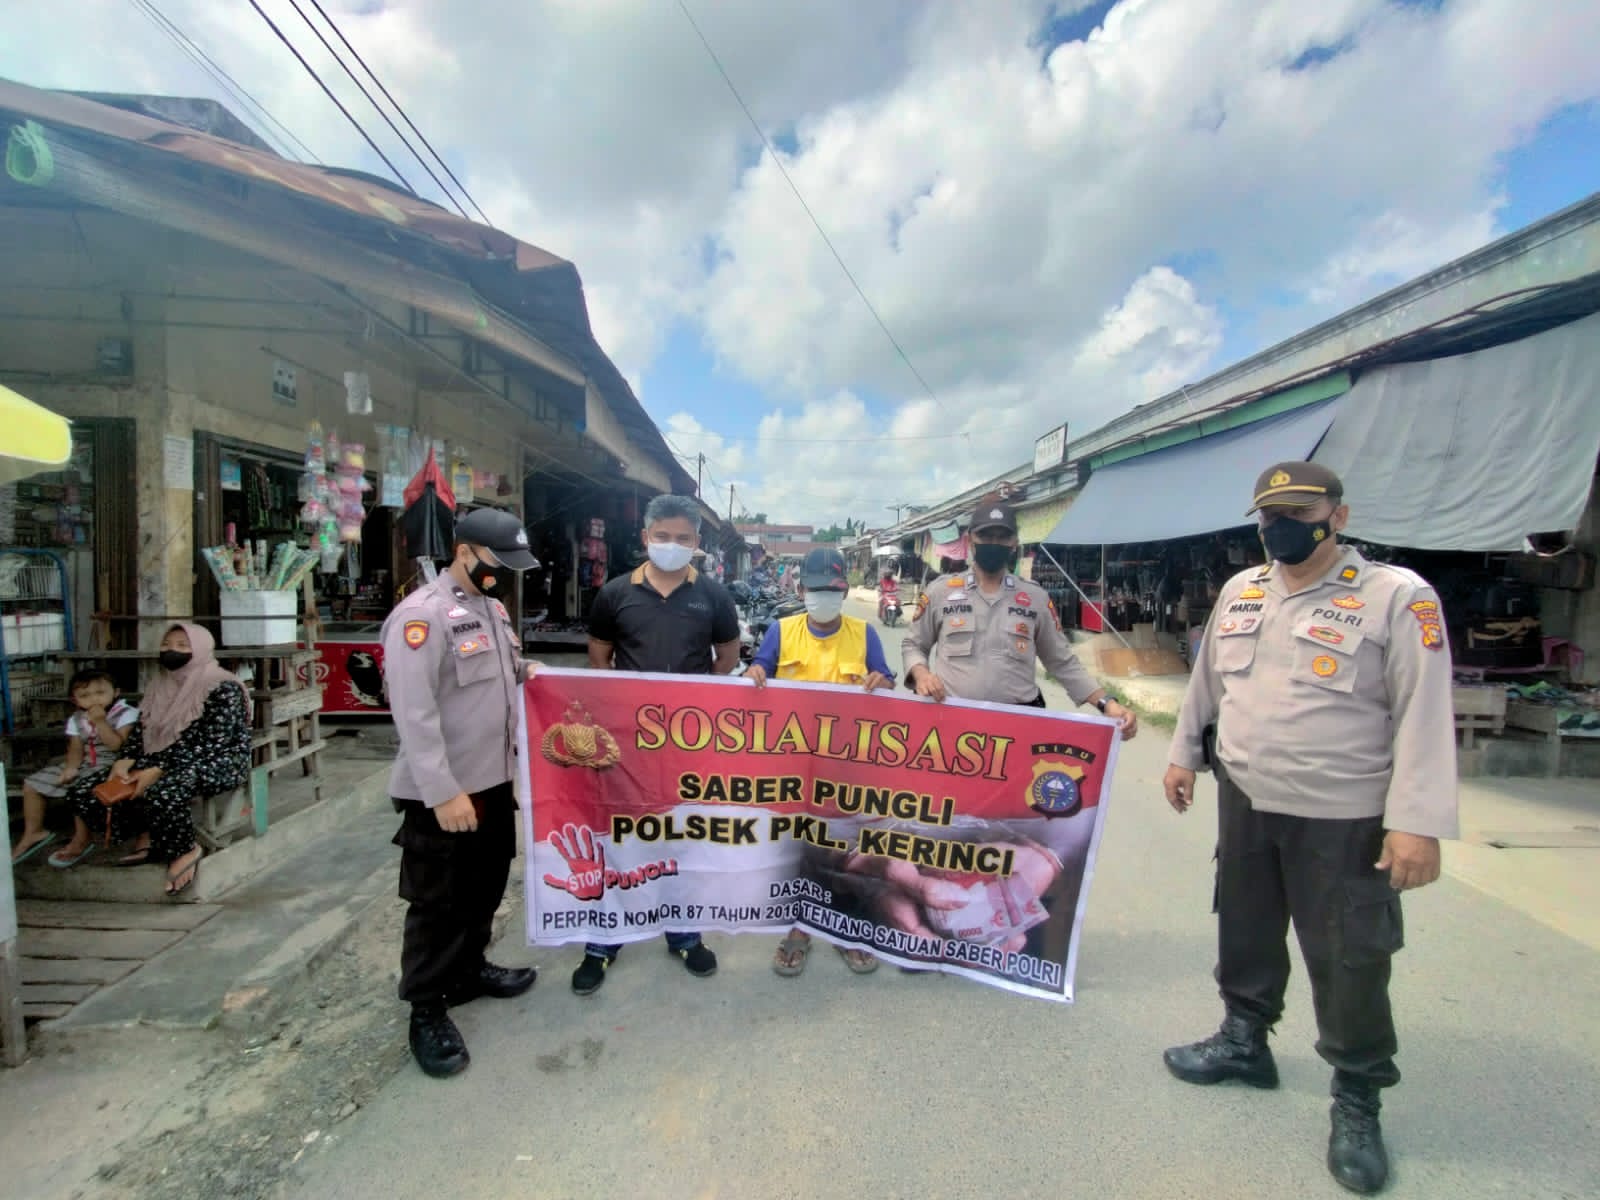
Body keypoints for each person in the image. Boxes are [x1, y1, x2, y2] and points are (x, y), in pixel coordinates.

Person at [1161, 462, 1457, 1196]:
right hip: (1248, 799)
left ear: (1338, 514)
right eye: (1269, 513)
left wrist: (1417, 822)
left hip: (1345, 815)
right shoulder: (1243, 590)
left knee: (1349, 957)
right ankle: (1244, 1041)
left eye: (1297, 510)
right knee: (1246, 927)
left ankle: (1356, 1099)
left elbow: (1424, 711)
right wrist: (1182, 756)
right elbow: (1206, 685)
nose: (1280, 525)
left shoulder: (1396, 597)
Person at [382, 507, 542, 1079]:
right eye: (500, 562)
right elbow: (414, 712)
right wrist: (443, 791)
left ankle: (469, 970)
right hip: (446, 793)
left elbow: (500, 672)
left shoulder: (491, 610)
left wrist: (529, 672)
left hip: (494, 780)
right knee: (437, 903)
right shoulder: (420, 618)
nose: (508, 574)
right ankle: (426, 1009)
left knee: (485, 885)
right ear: (467, 552)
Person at [577, 493, 741, 995]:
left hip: (686, 745)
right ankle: (604, 940)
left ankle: (683, 932)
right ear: (646, 537)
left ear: (696, 543)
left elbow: (727, 658)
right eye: (662, 536)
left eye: (683, 538)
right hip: (625, 745)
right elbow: (599, 659)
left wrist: (690, 705)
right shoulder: (614, 593)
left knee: (681, 837)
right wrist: (622, 712)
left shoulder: (713, 596)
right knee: (621, 836)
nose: (672, 545)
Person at [746, 546, 894, 977]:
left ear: (844, 590)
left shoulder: (864, 634)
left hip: (846, 769)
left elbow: (885, 683)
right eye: (814, 589)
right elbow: (759, 671)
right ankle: (798, 929)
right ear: (801, 588)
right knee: (795, 851)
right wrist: (754, 675)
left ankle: (846, 928)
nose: (822, 597)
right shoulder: (781, 630)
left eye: (830, 589)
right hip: (793, 769)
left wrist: (881, 681)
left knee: (845, 852)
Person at [902, 494, 1138, 737]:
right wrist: (922, 675)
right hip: (954, 724)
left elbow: (1062, 662)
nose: (994, 543)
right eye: (985, 536)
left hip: (1019, 729)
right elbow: (914, 644)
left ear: (1014, 542)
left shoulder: (1035, 598)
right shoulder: (941, 592)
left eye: (1003, 536)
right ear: (969, 539)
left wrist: (1107, 703)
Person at [51, 624, 251, 897]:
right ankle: (147, 835)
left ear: (201, 649)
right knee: (84, 793)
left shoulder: (223, 687)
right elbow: (144, 729)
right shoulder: (159, 685)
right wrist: (126, 759)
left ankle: (185, 849)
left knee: (163, 791)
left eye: (183, 645)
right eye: (167, 644)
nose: (172, 650)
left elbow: (211, 742)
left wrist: (158, 768)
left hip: (218, 759)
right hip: (159, 758)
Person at [12, 670, 138, 865]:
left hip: (115, 764)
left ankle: (81, 838)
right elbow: (76, 750)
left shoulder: (126, 712)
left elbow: (117, 745)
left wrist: (100, 721)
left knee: (79, 789)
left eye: (100, 693)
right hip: (87, 763)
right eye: (84, 696)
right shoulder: (76, 719)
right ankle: (34, 832)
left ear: (116, 692)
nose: (93, 699)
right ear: (75, 700)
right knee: (31, 784)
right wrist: (70, 768)